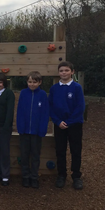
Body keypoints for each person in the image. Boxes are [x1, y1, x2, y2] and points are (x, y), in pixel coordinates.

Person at [49, 61, 85, 190]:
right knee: (60, 150)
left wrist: (69, 122)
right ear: (58, 73)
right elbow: (51, 107)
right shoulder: (54, 89)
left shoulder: (76, 87)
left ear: (72, 72)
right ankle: (61, 175)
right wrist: (58, 121)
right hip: (59, 125)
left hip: (74, 124)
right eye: (61, 71)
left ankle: (76, 176)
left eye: (66, 70)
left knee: (75, 150)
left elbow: (80, 107)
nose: (64, 73)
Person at [16, 71, 49, 189]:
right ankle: (25, 176)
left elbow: (45, 113)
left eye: (34, 82)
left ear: (39, 82)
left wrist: (42, 129)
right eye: (30, 82)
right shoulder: (24, 93)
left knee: (35, 155)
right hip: (24, 131)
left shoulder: (43, 95)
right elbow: (20, 112)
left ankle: (34, 177)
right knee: (24, 155)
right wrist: (20, 126)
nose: (32, 84)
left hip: (36, 132)